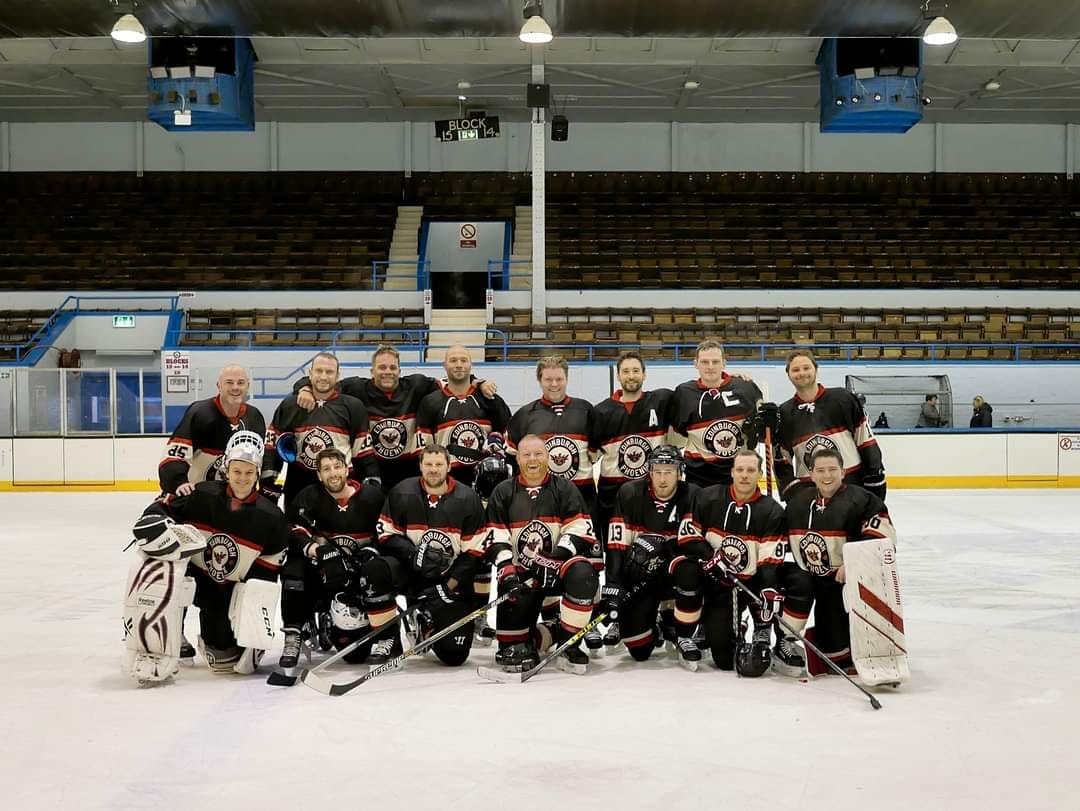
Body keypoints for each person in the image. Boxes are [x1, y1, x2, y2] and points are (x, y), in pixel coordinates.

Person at [125, 430, 290, 682]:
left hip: (225, 591)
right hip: (191, 574)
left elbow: (264, 579)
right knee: (159, 564)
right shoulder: (202, 494)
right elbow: (164, 505)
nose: (242, 478)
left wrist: (251, 626)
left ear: (257, 473)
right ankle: (154, 645)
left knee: (224, 659)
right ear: (226, 469)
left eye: (249, 472)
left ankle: (217, 638)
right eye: (237, 471)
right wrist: (154, 518)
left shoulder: (272, 518)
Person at [294, 344, 498, 490]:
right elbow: (324, 382)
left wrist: (478, 382)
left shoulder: (417, 385)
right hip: (372, 470)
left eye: (392, 368)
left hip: (408, 471)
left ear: (400, 371)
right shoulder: (355, 388)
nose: (387, 372)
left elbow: (454, 380)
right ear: (372, 371)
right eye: (382, 368)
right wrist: (304, 388)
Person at [485, 434, 599, 674]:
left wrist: (556, 556)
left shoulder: (564, 488)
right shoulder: (503, 491)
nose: (533, 460)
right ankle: (557, 629)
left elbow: (582, 529)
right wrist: (507, 572)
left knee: (583, 573)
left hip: (558, 571)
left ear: (548, 457)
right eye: (526, 455)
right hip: (523, 578)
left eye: (538, 454)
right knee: (513, 649)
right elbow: (495, 536)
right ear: (517, 458)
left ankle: (570, 644)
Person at [370, 444, 488, 666]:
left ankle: (429, 622)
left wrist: (449, 585)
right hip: (410, 570)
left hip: (447, 577)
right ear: (420, 466)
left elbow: (475, 551)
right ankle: (389, 639)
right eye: (428, 464)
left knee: (455, 656)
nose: (433, 469)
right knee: (375, 570)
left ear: (449, 466)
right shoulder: (402, 491)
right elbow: (385, 534)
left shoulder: (467, 497)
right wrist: (413, 553)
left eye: (439, 464)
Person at [687, 448, 801, 674]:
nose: (744, 475)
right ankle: (731, 622)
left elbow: (769, 560)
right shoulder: (708, 498)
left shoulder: (772, 511)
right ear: (731, 472)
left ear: (759, 473)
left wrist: (767, 590)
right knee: (724, 660)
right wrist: (712, 558)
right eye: (740, 470)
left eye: (750, 470)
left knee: (795, 579)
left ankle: (765, 627)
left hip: (754, 581)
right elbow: (688, 536)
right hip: (721, 583)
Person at [784, 448, 896, 674]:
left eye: (833, 470)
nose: (827, 476)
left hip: (843, 582)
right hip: (809, 578)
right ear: (812, 475)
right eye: (821, 470)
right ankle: (783, 638)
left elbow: (883, 536)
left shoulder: (862, 499)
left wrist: (853, 562)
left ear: (843, 472)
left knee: (838, 651)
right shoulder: (798, 504)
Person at [278, 447, 386, 670]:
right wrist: (315, 550)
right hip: (321, 572)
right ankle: (293, 634)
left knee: (355, 656)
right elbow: (293, 532)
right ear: (318, 475)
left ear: (347, 470)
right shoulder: (308, 496)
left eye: (337, 467)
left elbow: (386, 532)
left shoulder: (372, 496)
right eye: (326, 469)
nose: (333, 473)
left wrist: (372, 551)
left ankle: (382, 633)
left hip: (355, 577)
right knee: (293, 569)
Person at [603, 445, 704, 669]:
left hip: (672, 574)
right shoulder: (629, 493)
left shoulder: (693, 495)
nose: (662, 478)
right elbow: (616, 544)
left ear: (679, 472)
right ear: (649, 471)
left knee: (689, 570)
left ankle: (683, 633)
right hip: (640, 578)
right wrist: (614, 585)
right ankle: (656, 625)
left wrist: (665, 550)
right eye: (657, 471)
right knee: (638, 650)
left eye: (668, 472)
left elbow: (695, 546)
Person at [264, 352, 379, 508]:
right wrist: (269, 479)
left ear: (338, 376)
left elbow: (362, 450)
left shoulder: (353, 407)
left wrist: (371, 478)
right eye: (319, 371)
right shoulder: (290, 405)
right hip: (299, 484)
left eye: (329, 372)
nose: (323, 376)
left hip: (340, 486)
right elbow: (272, 445)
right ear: (310, 374)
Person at [774, 349, 887, 504]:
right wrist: (792, 489)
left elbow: (866, 442)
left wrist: (874, 478)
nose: (801, 373)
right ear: (788, 374)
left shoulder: (843, 399)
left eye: (806, 368)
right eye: (795, 370)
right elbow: (782, 459)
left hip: (852, 488)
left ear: (816, 369)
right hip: (811, 495)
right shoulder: (785, 413)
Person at [591, 350, 675, 548]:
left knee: (650, 553)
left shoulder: (662, 401)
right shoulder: (601, 411)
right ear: (618, 375)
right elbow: (591, 455)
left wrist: (736, 379)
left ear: (644, 374)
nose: (631, 376)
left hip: (651, 492)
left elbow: (699, 390)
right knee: (615, 553)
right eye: (626, 371)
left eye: (636, 371)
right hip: (612, 495)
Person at [159, 364, 267, 496]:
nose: (235, 387)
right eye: (229, 382)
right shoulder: (199, 413)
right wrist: (178, 482)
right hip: (200, 496)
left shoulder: (255, 417)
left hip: (234, 498)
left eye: (241, 383)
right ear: (219, 386)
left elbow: (256, 461)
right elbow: (175, 455)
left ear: (248, 386)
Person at [670, 339, 764, 488]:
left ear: (724, 363)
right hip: (698, 479)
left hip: (739, 478)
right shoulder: (684, 393)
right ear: (696, 364)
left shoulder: (745, 387)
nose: (710, 367)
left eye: (715, 361)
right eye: (705, 362)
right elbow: (678, 435)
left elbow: (763, 428)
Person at [415, 344, 512, 488]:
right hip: (446, 484)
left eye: (463, 360)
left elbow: (507, 441)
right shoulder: (430, 402)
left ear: (471, 365)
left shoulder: (491, 400)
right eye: (453, 360)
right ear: (444, 365)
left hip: (485, 483)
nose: (459, 365)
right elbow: (425, 450)